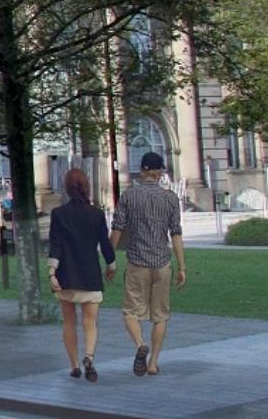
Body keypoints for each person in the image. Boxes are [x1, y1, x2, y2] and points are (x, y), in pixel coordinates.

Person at [111, 152, 185, 378]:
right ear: (160, 171)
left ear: (142, 171)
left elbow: (117, 229)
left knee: (131, 312)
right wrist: (182, 266)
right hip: (162, 263)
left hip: (137, 263)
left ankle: (140, 344)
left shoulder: (129, 196)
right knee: (160, 316)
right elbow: (176, 234)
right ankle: (153, 362)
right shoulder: (171, 198)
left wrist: (110, 258)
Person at [50, 167, 115, 381]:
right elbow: (105, 244)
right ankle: (89, 356)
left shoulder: (58, 214)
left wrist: (52, 272)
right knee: (90, 322)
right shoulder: (96, 214)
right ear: (87, 187)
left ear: (67, 189)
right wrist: (111, 265)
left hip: (66, 274)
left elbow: (56, 245)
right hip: (90, 274)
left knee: (69, 322)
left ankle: (75, 365)